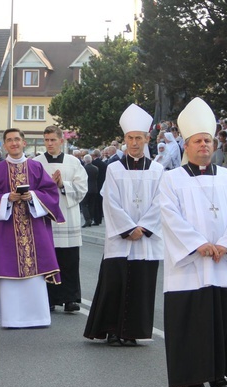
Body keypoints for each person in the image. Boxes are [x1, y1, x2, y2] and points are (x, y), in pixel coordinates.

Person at [159, 97, 227, 387]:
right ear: (186, 145)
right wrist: (198, 244)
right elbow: (169, 216)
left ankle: (218, 373)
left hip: (223, 262)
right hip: (191, 264)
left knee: (224, 320)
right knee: (193, 321)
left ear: (215, 145)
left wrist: (224, 245)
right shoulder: (171, 180)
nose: (203, 146)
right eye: (197, 141)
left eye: (208, 141)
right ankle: (192, 376)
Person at [84, 104, 163, 346]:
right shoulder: (114, 169)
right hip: (121, 239)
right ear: (125, 140)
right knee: (115, 283)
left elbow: (163, 202)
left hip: (146, 241)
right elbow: (110, 202)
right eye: (130, 138)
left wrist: (144, 228)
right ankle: (113, 330)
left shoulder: (159, 170)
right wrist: (128, 228)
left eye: (139, 138)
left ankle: (132, 332)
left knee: (141, 286)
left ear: (147, 138)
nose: (134, 142)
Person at [0, 128, 63, 328]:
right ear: (4, 145)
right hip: (5, 233)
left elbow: (51, 193)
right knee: (7, 271)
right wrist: (6, 198)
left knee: (35, 275)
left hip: (33, 230)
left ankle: (38, 317)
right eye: (9, 140)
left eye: (17, 139)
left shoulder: (35, 168)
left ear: (24, 143)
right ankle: (12, 319)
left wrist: (33, 196)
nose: (14, 143)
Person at [34, 125, 88, 313]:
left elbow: (82, 188)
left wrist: (62, 184)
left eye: (53, 140)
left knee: (70, 260)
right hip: (46, 218)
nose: (49, 144)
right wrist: (48, 185)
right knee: (48, 259)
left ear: (61, 141)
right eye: (46, 140)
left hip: (68, 216)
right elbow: (32, 189)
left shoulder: (73, 162)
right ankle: (49, 298)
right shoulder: (37, 163)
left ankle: (71, 298)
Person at [81, 154, 99, 228]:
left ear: (85, 160)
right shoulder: (96, 168)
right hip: (94, 188)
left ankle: (87, 219)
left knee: (83, 204)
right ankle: (91, 219)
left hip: (86, 188)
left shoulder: (83, 168)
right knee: (91, 205)